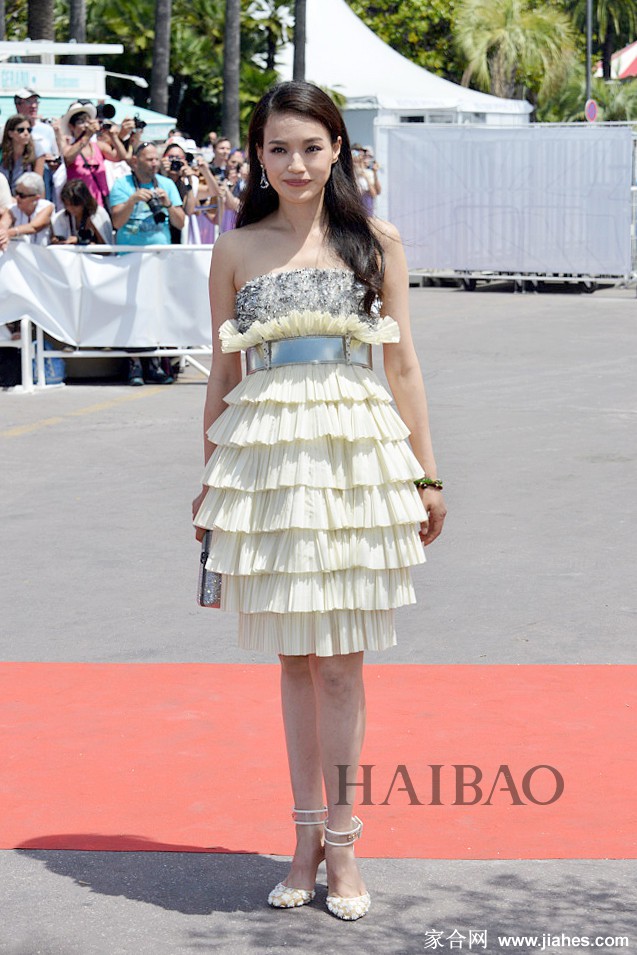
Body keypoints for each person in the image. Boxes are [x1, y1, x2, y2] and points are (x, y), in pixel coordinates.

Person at [191, 81, 446, 921]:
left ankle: (342, 841)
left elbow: (401, 365)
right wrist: (212, 479)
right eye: (277, 148)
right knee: (294, 657)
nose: (294, 163)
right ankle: (302, 839)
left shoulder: (376, 241)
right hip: (267, 462)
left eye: (310, 146)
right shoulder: (235, 249)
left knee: (341, 659)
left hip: (354, 458)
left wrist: (426, 474)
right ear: (257, 155)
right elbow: (223, 375)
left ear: (337, 148)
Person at [109, 141, 185, 385]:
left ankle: (155, 363)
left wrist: (168, 204)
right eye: (149, 159)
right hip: (130, 260)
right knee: (132, 312)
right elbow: (116, 222)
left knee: (156, 312)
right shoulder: (122, 185)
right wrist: (132, 201)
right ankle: (134, 365)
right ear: (135, 161)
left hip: (159, 261)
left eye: (156, 159)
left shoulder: (166, 185)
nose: (154, 164)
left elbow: (181, 222)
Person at [60, 102, 130, 210]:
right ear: (71, 127)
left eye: (88, 121)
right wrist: (87, 136)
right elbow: (68, 158)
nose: (86, 125)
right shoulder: (69, 148)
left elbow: (120, 157)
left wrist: (114, 137)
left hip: (101, 205)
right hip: (80, 208)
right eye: (81, 122)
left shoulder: (98, 146)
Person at [50, 178, 114, 245]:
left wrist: (80, 241)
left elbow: (105, 246)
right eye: (67, 205)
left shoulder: (98, 214)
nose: (71, 208)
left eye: (75, 205)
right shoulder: (60, 217)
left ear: (84, 201)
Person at [4, 172, 54, 245]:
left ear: (36, 198)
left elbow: (34, 227)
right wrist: (3, 233)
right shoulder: (11, 209)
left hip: (43, 251)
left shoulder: (47, 207)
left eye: (22, 195)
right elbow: (3, 226)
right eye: (16, 193)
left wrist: (13, 232)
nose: (17, 197)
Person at [0, 115, 45, 192]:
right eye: (21, 130)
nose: (26, 133)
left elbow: (38, 184)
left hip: (27, 196)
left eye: (29, 130)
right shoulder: (1, 152)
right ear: (10, 133)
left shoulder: (37, 149)